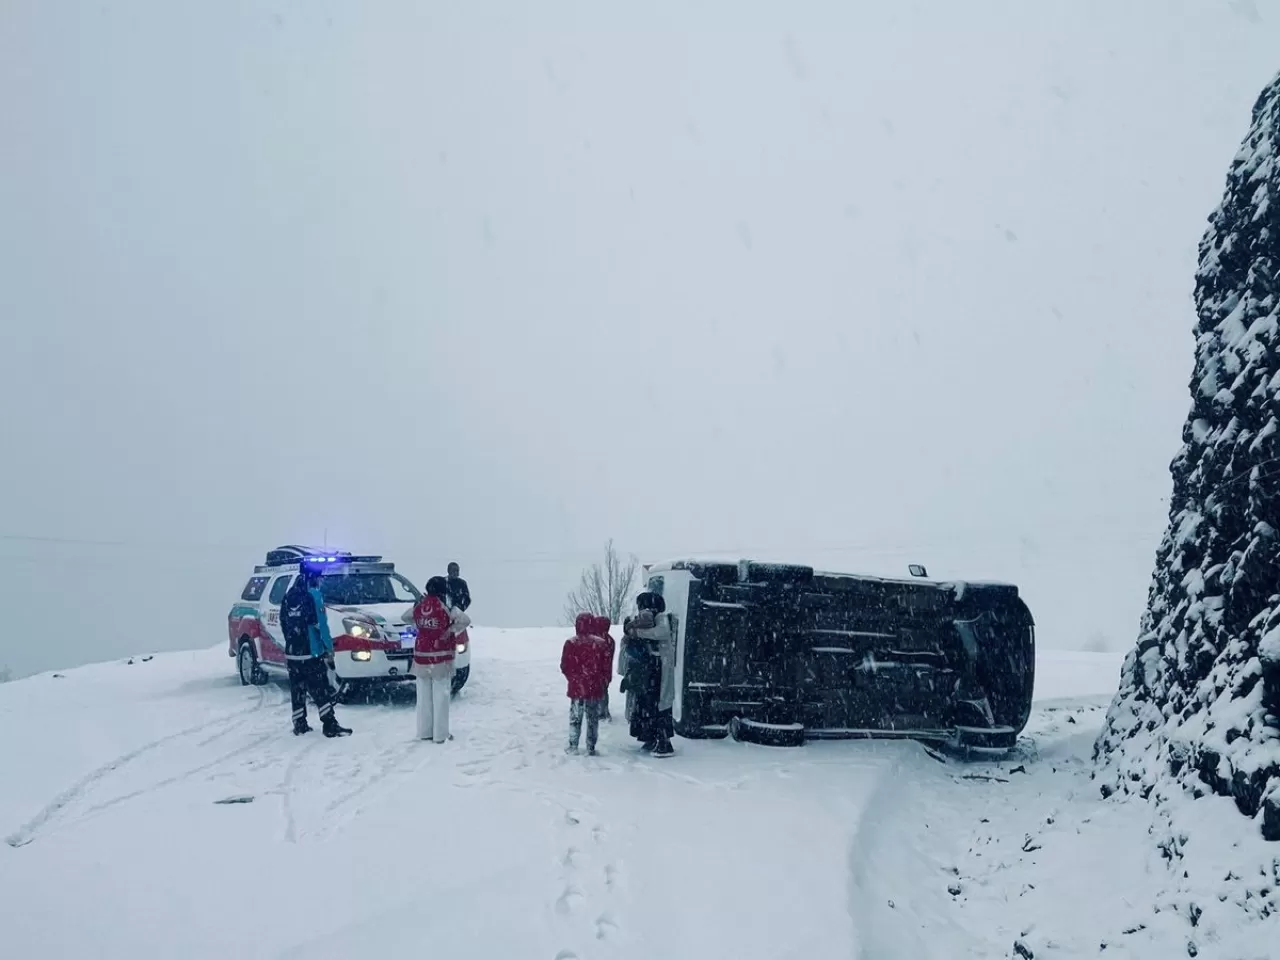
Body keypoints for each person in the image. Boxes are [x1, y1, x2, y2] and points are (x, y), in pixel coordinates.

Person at [280, 568, 352, 738]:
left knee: (297, 690)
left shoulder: (288, 596)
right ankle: (329, 724)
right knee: (320, 689)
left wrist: (291, 643)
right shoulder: (313, 596)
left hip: (292, 653)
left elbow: (283, 623)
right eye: (319, 578)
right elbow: (320, 625)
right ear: (313, 579)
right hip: (310, 653)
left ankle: (299, 724)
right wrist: (328, 647)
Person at [409, 576, 469, 742]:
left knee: (423, 698)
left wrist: (421, 628)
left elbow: (406, 617)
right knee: (441, 696)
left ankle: (424, 731)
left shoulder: (420, 604)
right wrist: (450, 630)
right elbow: (465, 620)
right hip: (440, 657)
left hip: (421, 656)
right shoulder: (447, 606)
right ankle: (440, 734)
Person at [622, 592, 677, 757]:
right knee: (647, 703)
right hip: (651, 669)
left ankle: (663, 741)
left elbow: (661, 633)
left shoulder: (661, 617)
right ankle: (650, 737)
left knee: (658, 705)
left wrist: (637, 633)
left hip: (659, 669)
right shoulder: (649, 618)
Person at [561, 613, 613, 755]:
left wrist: (573, 679)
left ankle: (573, 745)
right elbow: (606, 667)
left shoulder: (571, 643)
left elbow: (564, 666)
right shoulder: (601, 643)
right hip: (594, 687)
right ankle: (591, 746)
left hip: (577, 688)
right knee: (592, 718)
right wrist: (603, 680)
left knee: (575, 717)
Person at [590, 615, 617, 721]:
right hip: (605, 672)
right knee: (603, 691)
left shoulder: (594, 639)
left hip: (596, 671)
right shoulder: (610, 640)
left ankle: (599, 712)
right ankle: (603, 711)